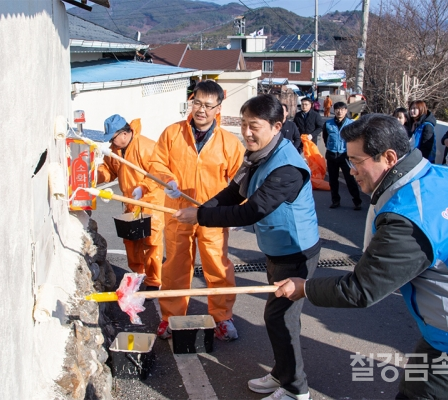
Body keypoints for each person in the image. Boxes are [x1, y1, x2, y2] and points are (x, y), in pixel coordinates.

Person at [275, 114, 448, 400]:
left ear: (388, 157)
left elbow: (362, 289)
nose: (350, 170)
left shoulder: (408, 213)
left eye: (357, 161)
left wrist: (304, 288)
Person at [175, 94, 320, 400]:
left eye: (254, 126)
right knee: (277, 317)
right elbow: (233, 192)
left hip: (297, 252)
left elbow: (251, 210)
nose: (247, 132)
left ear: (277, 126)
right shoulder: (257, 155)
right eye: (243, 124)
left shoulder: (287, 168)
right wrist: (204, 208)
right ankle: (282, 374)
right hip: (278, 249)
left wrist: (201, 216)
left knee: (281, 318)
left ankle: (296, 389)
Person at [143, 80, 245, 341]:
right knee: (175, 267)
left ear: (218, 108)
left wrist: (235, 212)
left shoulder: (229, 143)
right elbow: (156, 163)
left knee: (218, 267)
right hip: (177, 212)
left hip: (213, 215)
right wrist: (168, 181)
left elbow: (241, 179)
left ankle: (222, 317)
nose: (202, 110)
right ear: (191, 101)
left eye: (208, 105)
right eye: (197, 102)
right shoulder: (172, 134)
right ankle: (171, 317)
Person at [96, 115, 165, 291]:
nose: (111, 142)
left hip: (151, 202)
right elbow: (109, 170)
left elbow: (159, 173)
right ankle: (138, 275)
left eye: (113, 138)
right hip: (130, 202)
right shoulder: (116, 150)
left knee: (151, 243)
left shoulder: (146, 147)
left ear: (125, 134)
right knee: (131, 242)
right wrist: (93, 178)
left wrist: (144, 187)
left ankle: (154, 281)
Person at [323, 102, 362, 210]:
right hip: (332, 154)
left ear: (346, 110)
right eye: (337, 109)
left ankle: (357, 201)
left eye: (342, 109)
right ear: (334, 110)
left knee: (350, 179)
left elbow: (355, 140)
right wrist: (331, 147)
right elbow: (325, 138)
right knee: (333, 180)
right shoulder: (328, 124)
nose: (339, 111)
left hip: (345, 155)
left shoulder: (351, 124)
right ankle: (335, 201)